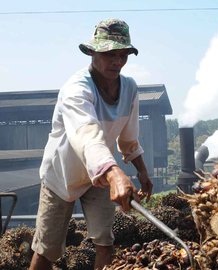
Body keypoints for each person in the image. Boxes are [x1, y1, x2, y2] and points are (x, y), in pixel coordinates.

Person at [29, 18, 153, 270]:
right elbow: (87, 135)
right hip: (63, 175)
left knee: (105, 243)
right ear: (92, 51)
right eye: (110, 54)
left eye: (123, 55)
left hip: (101, 175)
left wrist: (141, 170)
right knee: (48, 250)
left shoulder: (129, 88)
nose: (117, 61)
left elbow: (128, 138)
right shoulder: (76, 89)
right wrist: (115, 172)